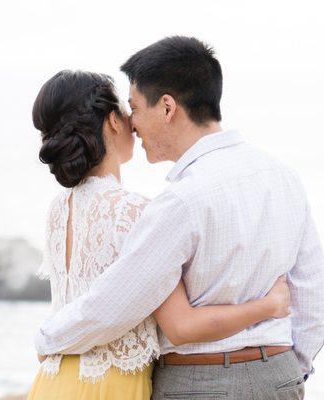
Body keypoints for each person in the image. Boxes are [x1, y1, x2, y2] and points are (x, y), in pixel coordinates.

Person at [34, 37, 324, 400]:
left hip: (198, 383)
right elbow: (312, 289)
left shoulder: (179, 201)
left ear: (167, 107)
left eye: (135, 107)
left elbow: (114, 304)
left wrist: (46, 338)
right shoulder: (284, 177)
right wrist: (288, 371)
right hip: (280, 376)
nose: (133, 124)